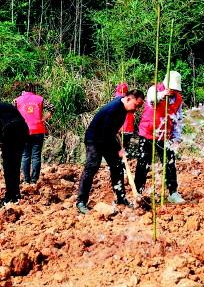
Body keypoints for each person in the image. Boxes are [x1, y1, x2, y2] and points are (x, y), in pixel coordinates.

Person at [76, 89, 145, 214]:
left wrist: (117, 147)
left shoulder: (123, 107)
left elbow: (111, 130)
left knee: (117, 166)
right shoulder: (113, 109)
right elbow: (105, 133)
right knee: (92, 167)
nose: (136, 109)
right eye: (137, 105)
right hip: (95, 139)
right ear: (129, 98)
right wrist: (118, 150)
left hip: (107, 138)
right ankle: (81, 202)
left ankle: (120, 198)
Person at [136, 71, 185, 204]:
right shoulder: (154, 89)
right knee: (143, 163)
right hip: (148, 132)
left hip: (165, 135)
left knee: (170, 163)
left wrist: (176, 137)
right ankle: (138, 192)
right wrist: (163, 94)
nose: (173, 91)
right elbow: (152, 101)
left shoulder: (178, 99)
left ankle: (173, 192)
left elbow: (178, 119)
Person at [0, 97, 29, 205]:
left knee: (8, 165)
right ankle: (16, 195)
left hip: (11, 131)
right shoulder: (6, 107)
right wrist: (0, 142)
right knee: (15, 164)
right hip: (23, 131)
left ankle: (10, 196)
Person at [13, 82, 54, 184]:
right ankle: (34, 180)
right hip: (38, 129)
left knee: (25, 155)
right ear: (33, 90)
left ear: (23, 91)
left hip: (23, 131)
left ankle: (26, 180)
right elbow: (52, 108)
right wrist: (43, 118)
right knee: (36, 155)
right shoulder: (40, 99)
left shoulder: (16, 100)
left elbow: (10, 113)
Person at [114, 82, 135, 151]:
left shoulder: (119, 102)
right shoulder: (131, 100)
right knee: (123, 149)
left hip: (123, 129)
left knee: (120, 150)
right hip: (127, 129)